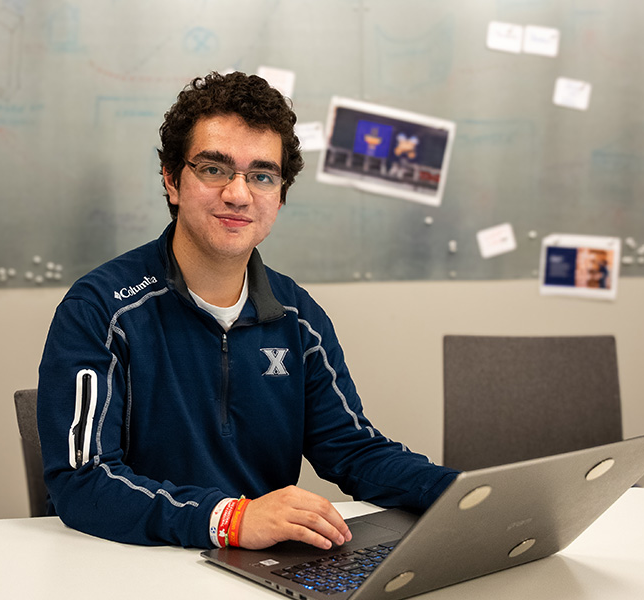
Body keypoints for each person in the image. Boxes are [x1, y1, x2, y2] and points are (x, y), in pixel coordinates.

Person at [37, 71, 458, 551]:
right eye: (214, 169)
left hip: (258, 569)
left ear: (279, 196)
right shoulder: (100, 309)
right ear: (173, 181)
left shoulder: (299, 318)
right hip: (132, 566)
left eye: (261, 176)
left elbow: (354, 451)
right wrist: (231, 520)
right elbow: (82, 481)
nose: (238, 194)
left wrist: (464, 493)